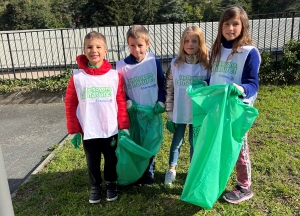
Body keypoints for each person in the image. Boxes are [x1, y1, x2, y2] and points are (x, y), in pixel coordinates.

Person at [64, 31, 130, 204]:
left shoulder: (115, 76)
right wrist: (74, 130)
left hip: (110, 129)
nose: (94, 50)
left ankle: (110, 183)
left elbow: (120, 102)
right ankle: (95, 186)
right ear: (84, 50)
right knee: (92, 162)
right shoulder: (77, 78)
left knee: (110, 160)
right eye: (90, 47)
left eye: (98, 47)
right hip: (89, 130)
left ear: (106, 50)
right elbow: (70, 104)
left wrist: (123, 127)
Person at [207, 6, 261, 203]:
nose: (230, 28)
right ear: (221, 26)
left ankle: (245, 187)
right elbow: (213, 76)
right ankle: (216, 179)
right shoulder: (217, 50)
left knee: (239, 148)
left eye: (235, 24)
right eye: (227, 24)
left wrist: (240, 89)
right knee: (217, 146)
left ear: (243, 26)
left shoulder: (249, 52)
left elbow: (253, 84)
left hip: (236, 110)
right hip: (217, 109)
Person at [116, 25, 166, 186]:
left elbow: (161, 83)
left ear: (148, 43)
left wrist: (161, 100)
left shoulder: (153, 62)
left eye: (140, 45)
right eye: (132, 45)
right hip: (134, 113)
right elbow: (119, 88)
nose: (136, 49)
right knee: (136, 143)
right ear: (128, 44)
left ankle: (148, 173)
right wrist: (127, 100)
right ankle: (136, 173)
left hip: (151, 112)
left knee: (150, 142)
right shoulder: (122, 66)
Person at [164, 26, 209, 186]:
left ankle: (193, 170)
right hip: (179, 112)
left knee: (194, 141)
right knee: (177, 141)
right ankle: (171, 169)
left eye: (194, 41)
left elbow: (210, 88)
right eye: (186, 41)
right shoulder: (175, 65)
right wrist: (170, 114)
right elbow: (169, 89)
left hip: (198, 113)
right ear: (182, 43)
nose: (190, 44)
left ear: (200, 43)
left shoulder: (206, 65)